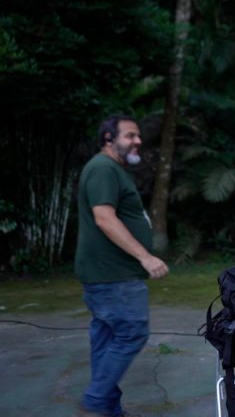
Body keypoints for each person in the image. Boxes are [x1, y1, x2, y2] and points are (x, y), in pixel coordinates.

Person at [75, 115, 169, 417]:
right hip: (114, 275)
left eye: (138, 136)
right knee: (132, 332)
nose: (138, 141)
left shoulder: (110, 169)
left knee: (105, 341)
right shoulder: (103, 168)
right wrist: (145, 256)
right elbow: (104, 218)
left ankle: (106, 409)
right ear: (108, 138)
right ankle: (95, 403)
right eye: (130, 135)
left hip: (106, 274)